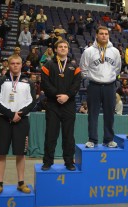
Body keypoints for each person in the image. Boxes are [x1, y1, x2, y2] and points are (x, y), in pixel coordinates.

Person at [0, 55, 36, 196]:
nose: (15, 66)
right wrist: (11, 114)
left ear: (22, 65)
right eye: (12, 63)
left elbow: (32, 102)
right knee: (1, 153)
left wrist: (20, 114)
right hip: (3, 120)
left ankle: (21, 183)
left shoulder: (29, 82)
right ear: (8, 65)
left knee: (20, 153)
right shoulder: (0, 81)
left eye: (18, 63)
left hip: (21, 122)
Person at [41, 40, 82, 171]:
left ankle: (69, 162)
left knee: (68, 135)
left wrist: (67, 96)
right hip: (53, 104)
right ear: (55, 49)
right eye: (60, 47)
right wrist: (58, 95)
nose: (63, 49)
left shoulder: (74, 67)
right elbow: (45, 84)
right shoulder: (48, 65)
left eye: (65, 47)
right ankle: (48, 161)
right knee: (51, 134)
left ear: (68, 49)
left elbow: (76, 85)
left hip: (69, 105)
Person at [80, 26, 121, 148]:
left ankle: (108, 139)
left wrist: (109, 77)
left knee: (110, 114)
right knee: (92, 114)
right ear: (96, 35)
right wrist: (94, 77)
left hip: (109, 86)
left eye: (106, 34)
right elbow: (83, 69)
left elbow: (118, 68)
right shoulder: (88, 51)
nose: (104, 36)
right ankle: (92, 139)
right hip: (94, 86)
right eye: (101, 34)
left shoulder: (115, 51)